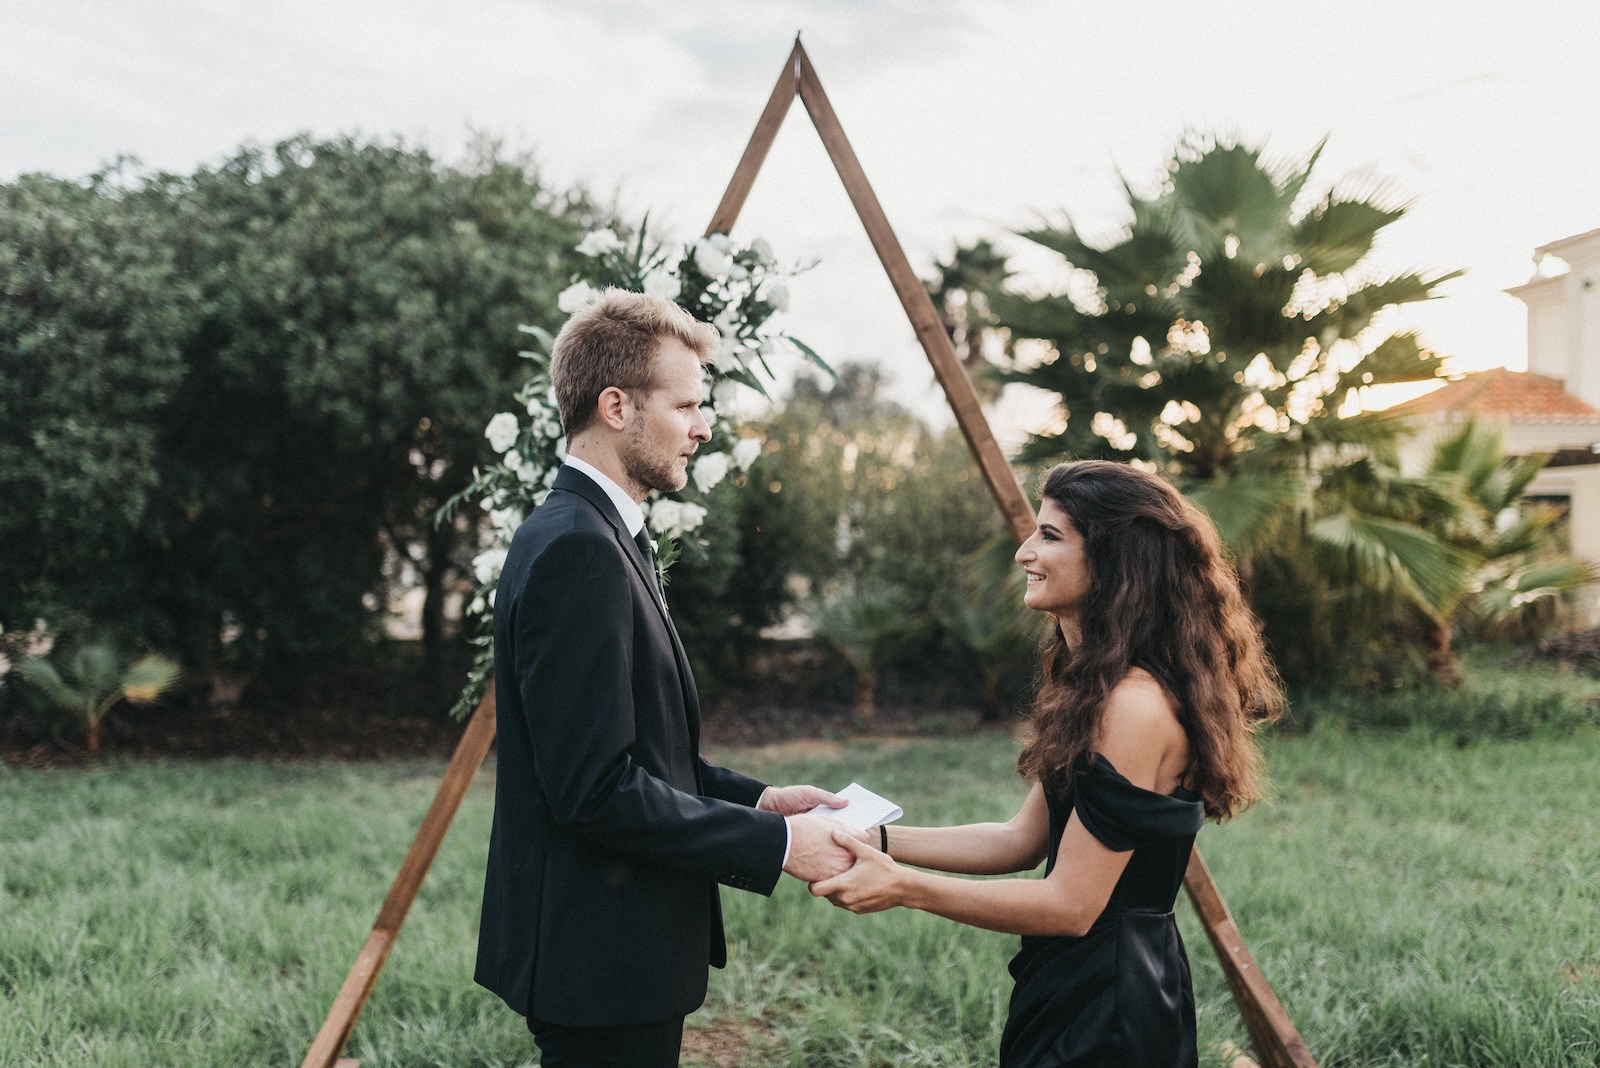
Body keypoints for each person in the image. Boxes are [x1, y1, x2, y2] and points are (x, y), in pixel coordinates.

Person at [475, 288, 860, 1067]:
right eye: (685, 405)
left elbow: (633, 753)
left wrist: (760, 800)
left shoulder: (599, 534)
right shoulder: (578, 549)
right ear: (616, 406)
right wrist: (780, 844)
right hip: (599, 961)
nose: (703, 426)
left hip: (614, 956)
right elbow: (595, 789)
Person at [813, 460, 1283, 1067]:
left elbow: (1070, 905)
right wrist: (871, 837)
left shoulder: (1133, 706)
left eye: (1050, 536)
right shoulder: (1098, 686)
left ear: (1115, 561)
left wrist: (903, 887)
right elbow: (1021, 840)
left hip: (1112, 1006)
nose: (1023, 552)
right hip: (1074, 980)